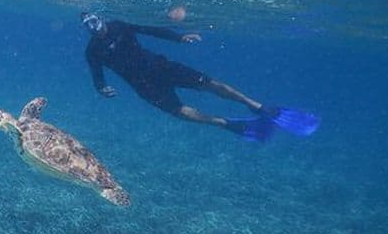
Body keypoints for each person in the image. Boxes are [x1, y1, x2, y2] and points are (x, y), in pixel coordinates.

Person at [80, 12, 319, 141]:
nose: (94, 27)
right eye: (89, 25)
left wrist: (178, 37)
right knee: (180, 111)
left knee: (210, 83)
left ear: (101, 18)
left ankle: (257, 106)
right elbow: (96, 74)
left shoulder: (119, 26)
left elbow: (150, 30)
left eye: (95, 21)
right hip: (143, 86)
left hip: (161, 67)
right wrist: (101, 88)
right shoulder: (93, 51)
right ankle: (227, 124)